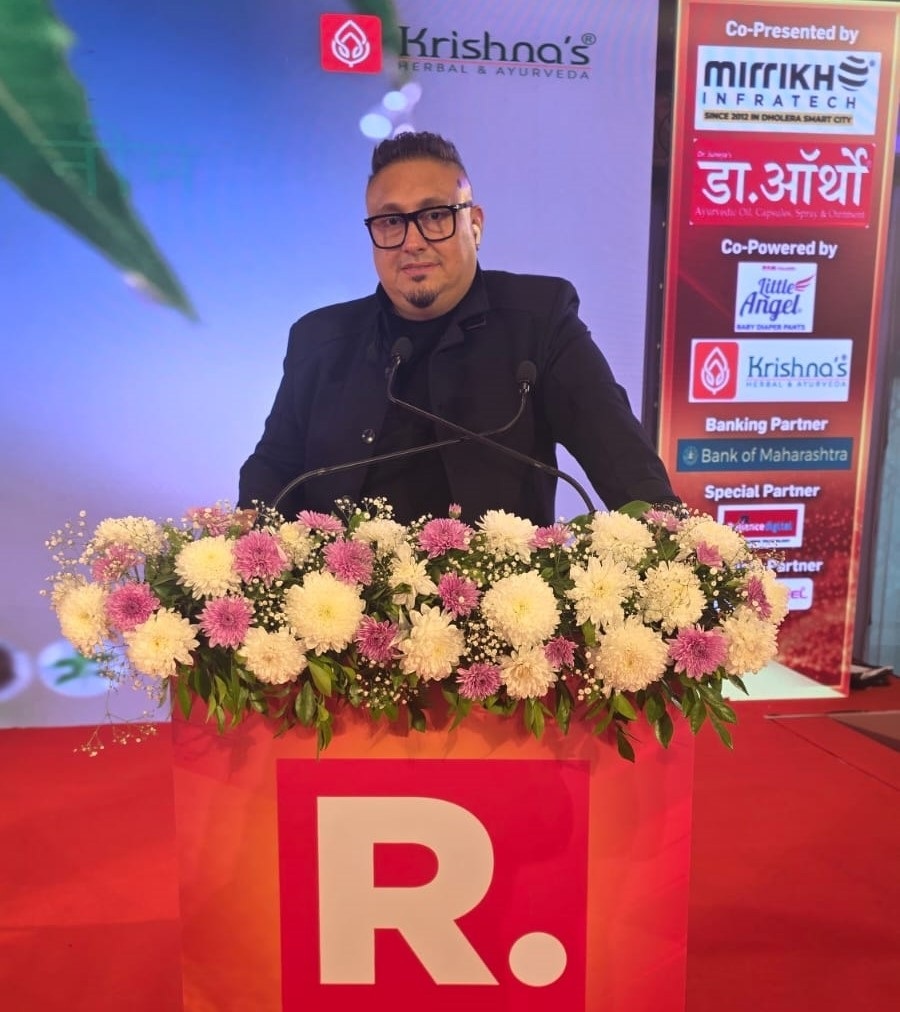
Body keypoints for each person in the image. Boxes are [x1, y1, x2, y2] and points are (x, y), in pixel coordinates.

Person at [238, 131, 678, 526]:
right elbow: (272, 473)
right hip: (342, 586)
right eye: (391, 222)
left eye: (435, 216)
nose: (413, 242)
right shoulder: (319, 339)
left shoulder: (540, 321)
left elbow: (624, 463)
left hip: (501, 589)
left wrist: (673, 550)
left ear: (475, 224)